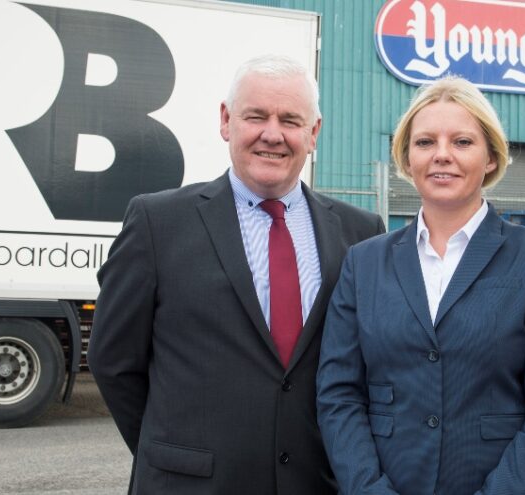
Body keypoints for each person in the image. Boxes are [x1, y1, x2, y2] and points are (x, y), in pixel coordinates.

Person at [88, 54, 385, 494]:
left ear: (313, 133)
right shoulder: (158, 223)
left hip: (314, 484)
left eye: (290, 120)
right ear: (227, 121)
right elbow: (113, 361)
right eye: (256, 116)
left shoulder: (361, 233)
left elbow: (367, 371)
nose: (272, 134)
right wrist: (168, 452)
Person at [317, 75, 525, 495]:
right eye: (425, 142)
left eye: (462, 142)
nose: (442, 155)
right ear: (407, 158)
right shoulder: (363, 262)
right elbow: (339, 396)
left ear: (491, 157)